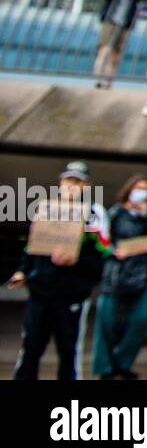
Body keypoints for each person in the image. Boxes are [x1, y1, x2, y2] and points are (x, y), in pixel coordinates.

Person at [8, 161, 110, 380]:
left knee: (68, 351)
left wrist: (76, 260)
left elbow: (101, 257)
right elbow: (32, 248)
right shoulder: (46, 209)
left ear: (86, 186)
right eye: (68, 180)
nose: (71, 186)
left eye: (77, 182)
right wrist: (22, 272)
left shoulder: (94, 215)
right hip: (40, 292)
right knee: (30, 348)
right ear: (60, 182)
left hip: (70, 296)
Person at [92, 174, 147, 379]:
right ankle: (105, 367)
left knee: (139, 321)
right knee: (107, 323)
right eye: (138, 188)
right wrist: (113, 251)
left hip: (138, 276)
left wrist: (146, 216)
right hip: (115, 275)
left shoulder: (146, 217)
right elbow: (100, 238)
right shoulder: (115, 214)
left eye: (145, 188)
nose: (141, 192)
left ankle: (123, 362)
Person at [95, 0, 146, 89]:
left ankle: (108, 82)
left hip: (125, 23)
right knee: (104, 49)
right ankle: (98, 79)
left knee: (116, 54)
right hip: (110, 20)